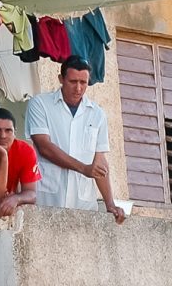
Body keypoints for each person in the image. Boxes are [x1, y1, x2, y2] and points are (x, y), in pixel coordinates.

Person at [26, 56, 126, 224]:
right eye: (73, 81)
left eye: (83, 83)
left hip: (83, 203)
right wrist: (84, 168)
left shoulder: (97, 113)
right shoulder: (40, 104)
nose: (78, 88)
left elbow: (99, 162)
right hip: (48, 199)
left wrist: (110, 203)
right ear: (61, 79)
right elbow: (44, 147)